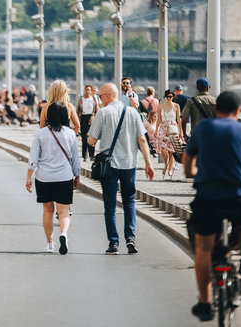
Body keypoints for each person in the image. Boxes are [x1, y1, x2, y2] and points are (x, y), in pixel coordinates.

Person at [182, 91, 241, 321]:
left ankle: (204, 303)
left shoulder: (203, 129)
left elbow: (187, 163)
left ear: (215, 110)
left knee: (203, 249)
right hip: (238, 197)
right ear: (239, 111)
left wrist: (193, 172)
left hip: (208, 198)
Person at [87, 83, 155, 255]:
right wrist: (148, 163)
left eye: (101, 96)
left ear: (108, 96)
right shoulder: (133, 113)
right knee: (129, 202)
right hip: (129, 163)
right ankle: (130, 238)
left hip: (109, 166)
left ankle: (114, 243)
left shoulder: (103, 113)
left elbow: (91, 141)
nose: (100, 100)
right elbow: (142, 140)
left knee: (110, 204)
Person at [26, 102, 80, 254]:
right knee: (63, 211)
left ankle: (50, 243)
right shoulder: (70, 133)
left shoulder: (41, 133)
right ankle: (64, 234)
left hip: (44, 178)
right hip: (64, 176)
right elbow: (75, 158)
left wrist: (29, 177)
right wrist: (77, 176)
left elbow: (33, 157)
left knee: (48, 211)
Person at [155, 90, 185, 177]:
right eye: (167, 96)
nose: (169, 98)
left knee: (172, 150)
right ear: (165, 97)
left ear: (173, 97)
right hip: (163, 128)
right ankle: (166, 164)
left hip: (173, 129)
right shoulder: (161, 106)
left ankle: (170, 169)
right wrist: (156, 130)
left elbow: (179, 119)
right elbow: (159, 119)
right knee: (163, 149)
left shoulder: (176, 106)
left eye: (170, 97)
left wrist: (181, 132)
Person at [76, 85, 98, 161]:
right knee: (84, 138)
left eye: (88, 90)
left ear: (91, 91)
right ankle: (85, 156)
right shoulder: (81, 99)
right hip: (83, 117)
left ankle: (92, 155)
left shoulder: (93, 99)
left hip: (91, 118)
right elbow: (78, 109)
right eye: (86, 90)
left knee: (91, 136)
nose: (87, 91)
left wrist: (94, 117)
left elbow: (96, 110)